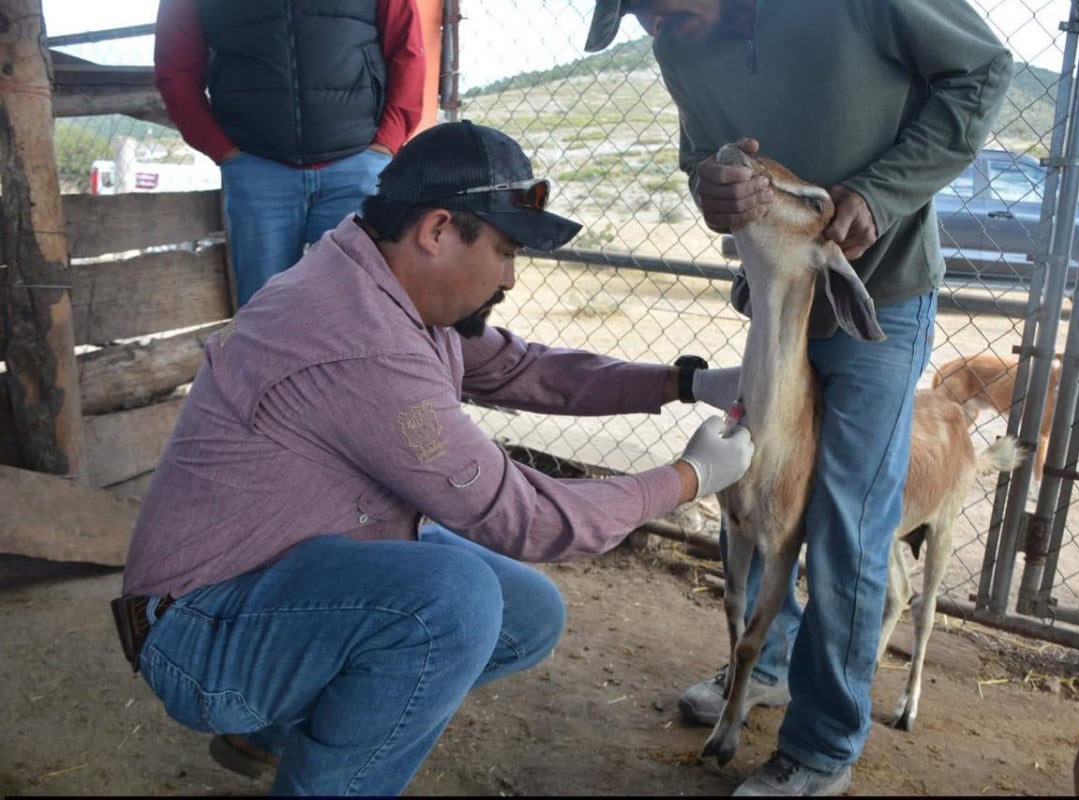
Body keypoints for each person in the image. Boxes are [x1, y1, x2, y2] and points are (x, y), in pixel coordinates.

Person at [110, 119, 755, 797]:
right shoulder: (361, 339)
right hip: (198, 630)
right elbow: (526, 518)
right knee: (450, 602)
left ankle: (270, 729)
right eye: (505, 251)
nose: (510, 278)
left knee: (526, 612)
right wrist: (689, 479)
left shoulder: (378, 279)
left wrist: (683, 382)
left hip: (279, 571)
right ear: (438, 230)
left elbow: (520, 368)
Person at [584, 1, 1013, 795]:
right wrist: (712, 188)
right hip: (775, 300)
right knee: (755, 485)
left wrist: (879, 194)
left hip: (876, 294)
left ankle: (821, 744)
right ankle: (765, 666)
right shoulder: (679, 39)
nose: (655, 28)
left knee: (849, 511)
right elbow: (699, 156)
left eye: (658, 5)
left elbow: (984, 70)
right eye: (638, 13)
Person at [154, 0, 427, 307]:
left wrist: (386, 142)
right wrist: (223, 150)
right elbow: (175, 70)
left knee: (361, 310)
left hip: (356, 165)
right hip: (257, 170)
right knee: (264, 314)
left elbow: (408, 50)